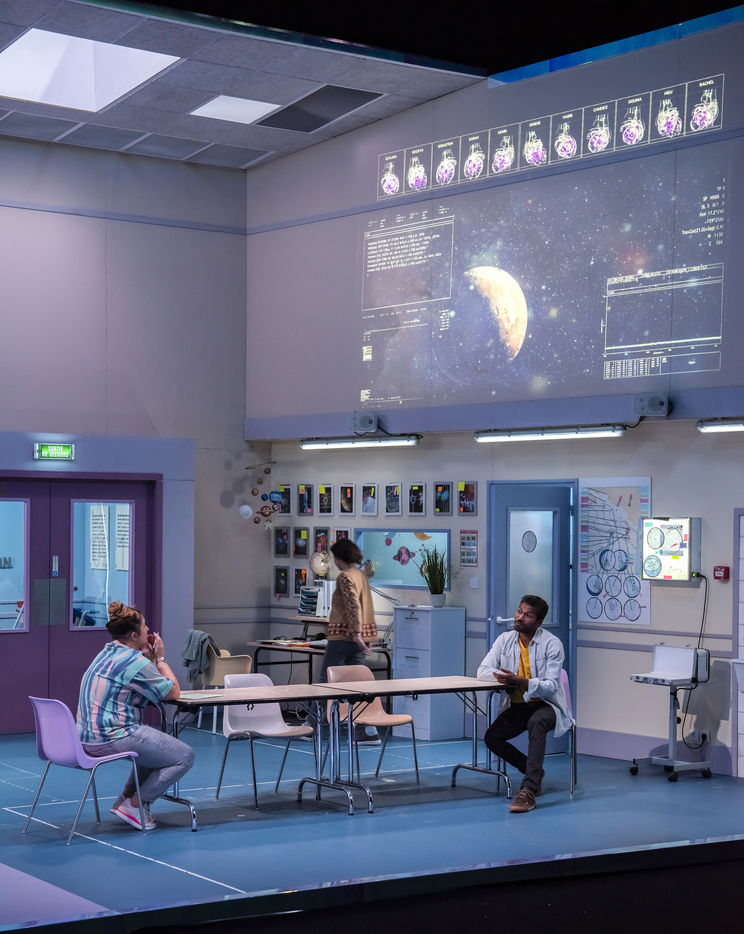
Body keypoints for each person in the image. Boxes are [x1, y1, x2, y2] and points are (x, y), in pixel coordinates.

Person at [77, 601, 194, 831]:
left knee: (153, 746)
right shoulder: (134, 661)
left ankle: (125, 798)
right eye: (145, 627)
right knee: (184, 756)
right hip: (111, 737)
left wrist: (147, 659)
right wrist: (160, 659)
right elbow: (173, 692)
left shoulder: (106, 653)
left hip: (87, 736)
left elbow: (138, 682)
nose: (148, 630)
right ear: (134, 635)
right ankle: (136, 804)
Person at [477, 594, 572, 813]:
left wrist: (521, 681)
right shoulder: (505, 640)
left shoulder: (552, 644)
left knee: (536, 723)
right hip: (519, 706)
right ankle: (533, 771)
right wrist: (507, 679)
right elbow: (482, 671)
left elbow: (551, 686)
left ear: (539, 622)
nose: (519, 617)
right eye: (519, 611)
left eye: (527, 615)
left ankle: (529, 789)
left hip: (547, 705)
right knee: (492, 737)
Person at [318, 538, 380, 744]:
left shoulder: (345, 577)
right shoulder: (360, 575)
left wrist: (356, 634)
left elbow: (353, 606)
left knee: (325, 681)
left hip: (343, 637)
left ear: (338, 559)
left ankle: (312, 725)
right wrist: (365, 636)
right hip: (360, 638)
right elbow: (366, 607)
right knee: (359, 684)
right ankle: (368, 729)